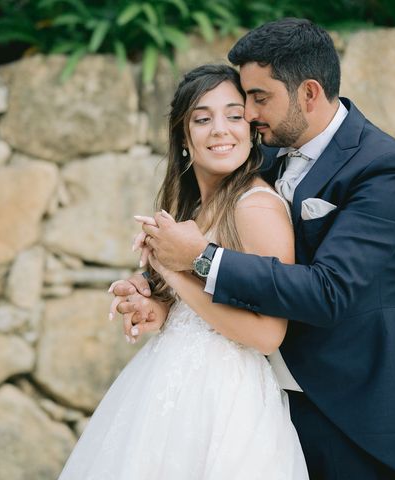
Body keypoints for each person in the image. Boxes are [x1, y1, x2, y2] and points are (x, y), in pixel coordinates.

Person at [114, 18, 395, 480]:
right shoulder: (263, 150)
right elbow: (218, 224)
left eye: (259, 98)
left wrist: (199, 259)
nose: (248, 112)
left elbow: (330, 291)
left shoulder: (384, 169)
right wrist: (154, 288)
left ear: (307, 93)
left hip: (354, 415)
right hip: (263, 405)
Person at [59, 64, 308, 479]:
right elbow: (202, 304)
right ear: (184, 138)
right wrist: (154, 302)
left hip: (224, 401)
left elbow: (267, 334)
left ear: (250, 129)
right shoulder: (196, 208)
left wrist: (174, 273)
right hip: (167, 390)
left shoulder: (256, 208)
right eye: (203, 118)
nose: (221, 130)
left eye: (233, 115)